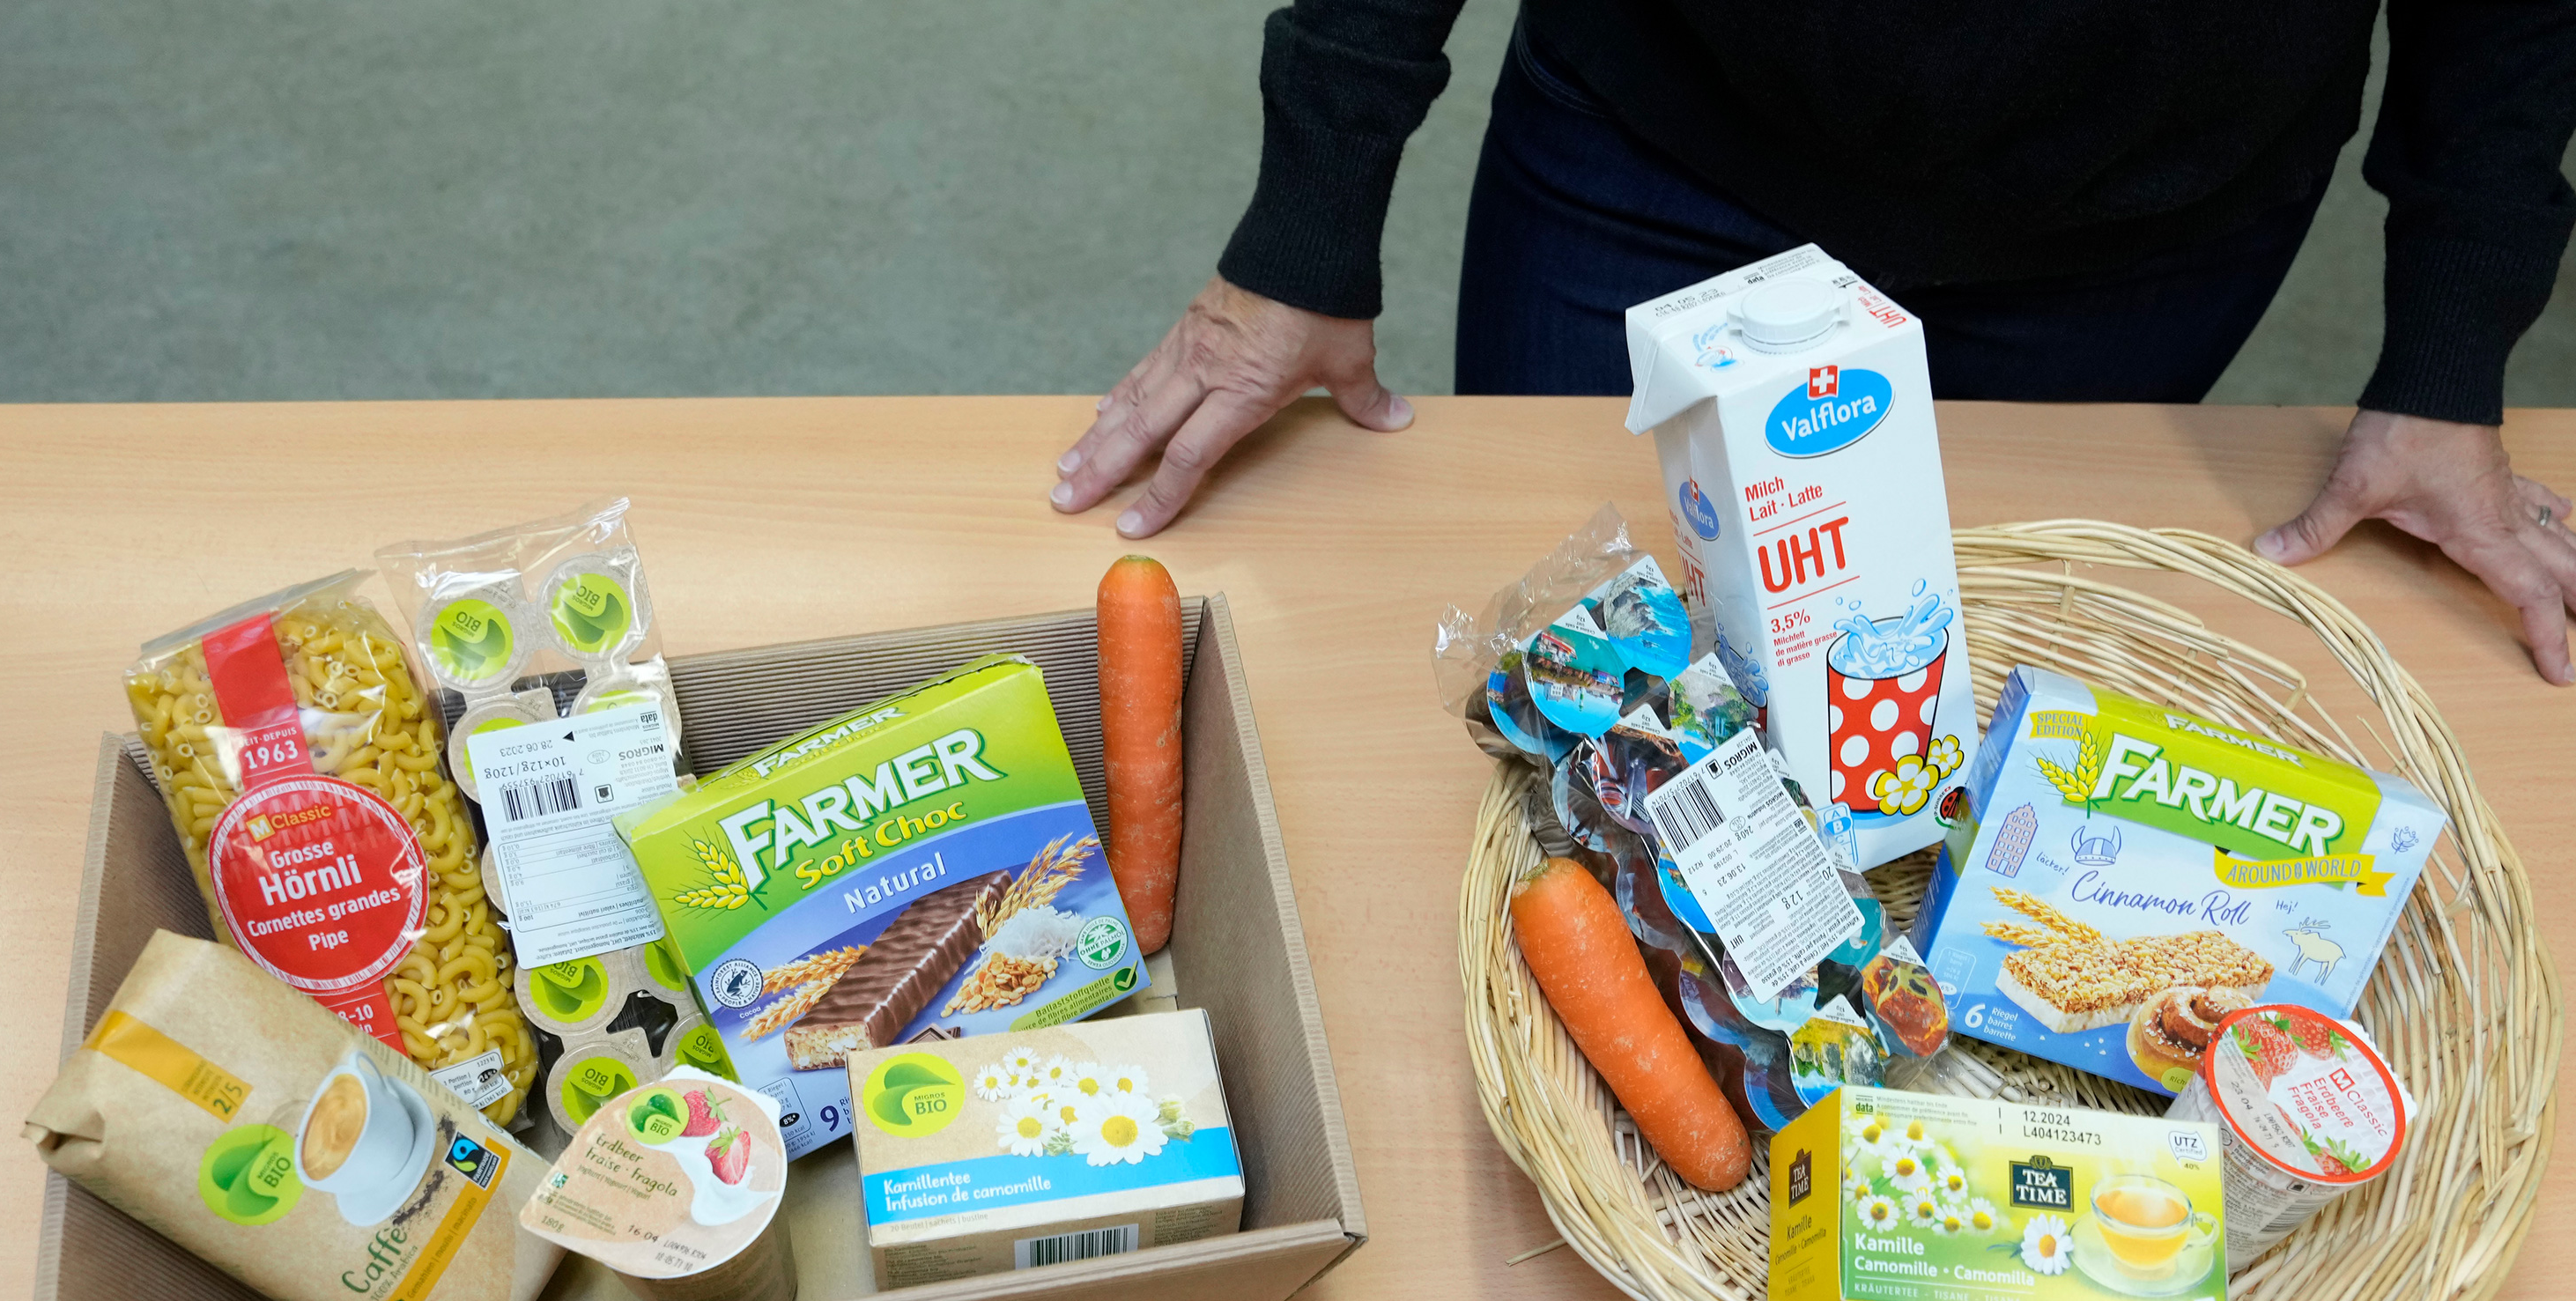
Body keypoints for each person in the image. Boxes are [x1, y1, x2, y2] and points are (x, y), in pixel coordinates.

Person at [1048, 2, 2576, 681]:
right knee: (1563, 682)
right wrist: (1309, 220)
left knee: (1929, 715)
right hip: (1666, 127)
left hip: (2135, 218)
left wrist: (2448, 362)